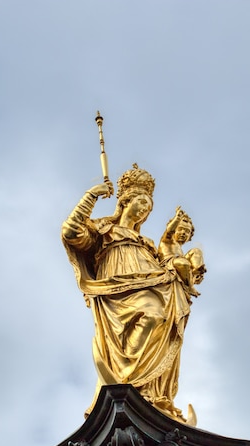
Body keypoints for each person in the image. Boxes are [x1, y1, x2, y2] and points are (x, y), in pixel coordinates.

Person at [61, 164, 200, 425]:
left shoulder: (147, 243)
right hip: (117, 289)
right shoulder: (104, 231)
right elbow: (71, 232)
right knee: (150, 313)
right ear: (125, 201)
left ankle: (150, 393)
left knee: (161, 321)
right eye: (141, 201)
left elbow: (169, 264)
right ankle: (127, 381)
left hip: (152, 282)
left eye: (149, 205)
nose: (146, 208)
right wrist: (90, 196)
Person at [158, 207, 207, 297]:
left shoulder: (179, 249)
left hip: (180, 263)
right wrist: (177, 218)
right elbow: (169, 231)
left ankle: (195, 272)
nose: (183, 232)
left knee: (196, 251)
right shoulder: (167, 240)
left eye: (187, 231)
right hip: (168, 263)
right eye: (180, 229)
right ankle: (190, 286)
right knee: (183, 263)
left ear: (190, 237)